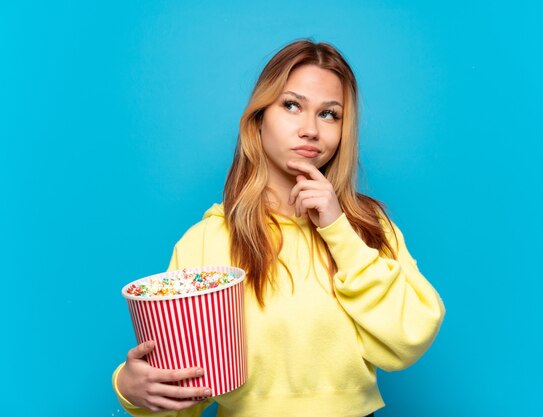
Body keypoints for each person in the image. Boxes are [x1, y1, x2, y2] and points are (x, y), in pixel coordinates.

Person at [112, 39, 446, 417]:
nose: (310, 129)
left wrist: (338, 229)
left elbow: (410, 337)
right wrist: (129, 389)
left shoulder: (366, 227)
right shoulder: (206, 242)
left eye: (329, 114)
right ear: (259, 117)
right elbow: (182, 393)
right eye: (292, 105)